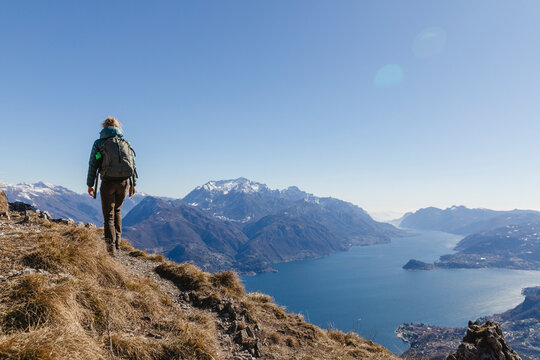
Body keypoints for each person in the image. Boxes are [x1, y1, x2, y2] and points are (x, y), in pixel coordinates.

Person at [87, 117, 137, 255]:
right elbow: (133, 165)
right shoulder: (125, 142)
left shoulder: (99, 143)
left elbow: (93, 164)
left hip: (108, 182)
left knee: (108, 215)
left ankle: (110, 249)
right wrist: (133, 185)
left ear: (104, 127)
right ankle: (118, 244)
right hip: (124, 182)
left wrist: (90, 184)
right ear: (118, 127)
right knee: (118, 211)